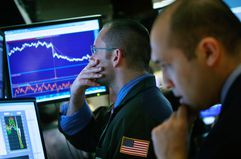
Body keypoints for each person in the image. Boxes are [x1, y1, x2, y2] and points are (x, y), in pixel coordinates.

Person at [58, 19, 173, 159]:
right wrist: (76, 94)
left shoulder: (139, 116)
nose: (91, 58)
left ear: (116, 56)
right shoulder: (134, 101)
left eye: (95, 50)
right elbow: (88, 138)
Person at [150, 0, 241, 159]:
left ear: (209, 52)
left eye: (166, 65)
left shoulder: (229, 136)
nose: (167, 83)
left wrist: (172, 155)